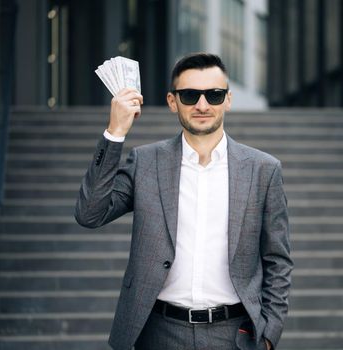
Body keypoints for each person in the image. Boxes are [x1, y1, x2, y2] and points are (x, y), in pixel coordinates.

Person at [75, 52, 292, 350]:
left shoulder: (263, 169)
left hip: (234, 336)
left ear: (228, 100)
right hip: (157, 333)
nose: (202, 105)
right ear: (172, 101)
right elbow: (90, 213)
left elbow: (277, 259)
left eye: (214, 95)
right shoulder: (145, 161)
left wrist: (269, 335)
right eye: (190, 95)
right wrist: (115, 132)